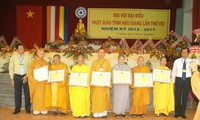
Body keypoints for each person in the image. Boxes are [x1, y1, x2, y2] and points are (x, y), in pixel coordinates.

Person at [9, 44, 31, 114]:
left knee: (27, 93)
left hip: (25, 76)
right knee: (17, 93)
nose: (22, 50)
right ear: (17, 50)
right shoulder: (13, 57)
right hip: (17, 76)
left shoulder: (28, 56)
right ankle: (17, 109)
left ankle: (28, 109)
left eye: (23, 48)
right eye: (20, 48)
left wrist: (27, 76)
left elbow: (30, 67)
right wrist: (12, 79)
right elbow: (11, 68)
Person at [91, 48, 112, 118]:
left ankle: (103, 113)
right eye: (100, 52)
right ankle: (96, 113)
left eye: (103, 52)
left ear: (104, 54)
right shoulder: (94, 62)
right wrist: (92, 82)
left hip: (104, 85)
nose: (101, 54)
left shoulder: (107, 62)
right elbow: (92, 73)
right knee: (96, 98)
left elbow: (109, 72)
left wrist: (108, 82)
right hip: (96, 85)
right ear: (97, 53)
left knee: (103, 98)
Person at [172, 47, 192, 119]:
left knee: (185, 97)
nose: (183, 54)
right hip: (178, 79)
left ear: (188, 53)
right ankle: (177, 112)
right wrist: (173, 82)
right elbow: (174, 71)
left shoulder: (192, 61)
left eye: (185, 52)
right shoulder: (177, 61)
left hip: (187, 80)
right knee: (177, 97)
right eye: (182, 52)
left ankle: (182, 113)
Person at [27, 49, 48, 115]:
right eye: (41, 53)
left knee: (43, 95)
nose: (42, 55)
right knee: (36, 96)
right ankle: (36, 108)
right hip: (36, 83)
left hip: (43, 82)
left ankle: (43, 109)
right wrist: (33, 80)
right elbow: (29, 73)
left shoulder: (45, 62)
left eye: (43, 53)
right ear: (37, 54)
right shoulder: (33, 62)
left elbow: (48, 71)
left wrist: (48, 79)